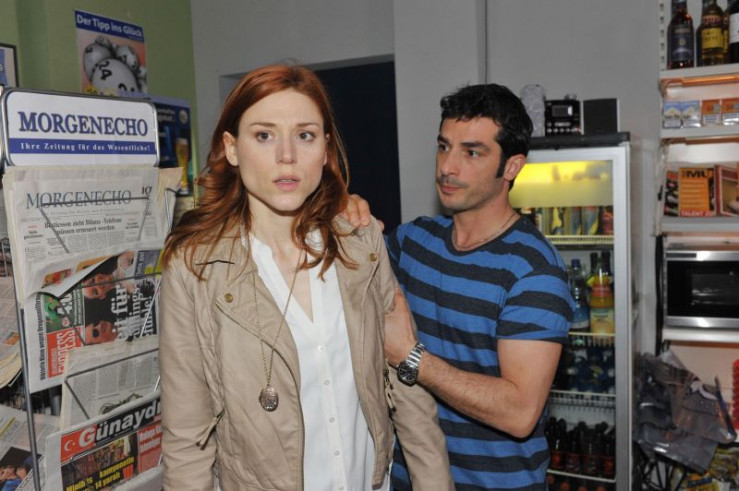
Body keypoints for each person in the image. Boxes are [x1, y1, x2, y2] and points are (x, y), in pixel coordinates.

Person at [159, 65, 453, 491]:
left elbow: (408, 396)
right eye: (264, 135)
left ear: (325, 149)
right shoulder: (195, 270)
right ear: (232, 148)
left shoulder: (362, 242)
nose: (287, 155)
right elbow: (187, 441)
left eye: (305, 135)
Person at [347, 83, 573, 489]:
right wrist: (343, 209)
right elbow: (345, 273)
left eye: (472, 152)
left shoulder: (533, 269)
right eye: (443, 146)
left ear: (511, 167)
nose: (447, 167)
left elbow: (520, 412)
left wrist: (412, 359)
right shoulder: (414, 241)